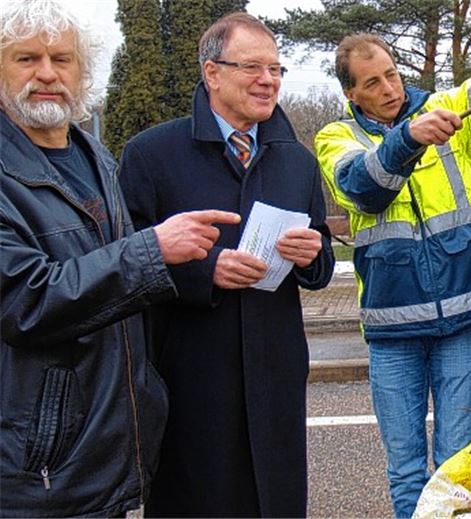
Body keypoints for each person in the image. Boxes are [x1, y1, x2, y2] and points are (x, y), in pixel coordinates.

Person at [0, 1, 240, 515]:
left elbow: (119, 284)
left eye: (62, 60)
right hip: (37, 469)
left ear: (82, 71)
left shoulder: (96, 157)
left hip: (105, 451)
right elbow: (25, 299)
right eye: (26, 59)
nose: (46, 74)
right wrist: (152, 249)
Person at [117, 12, 335, 517]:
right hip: (192, 374)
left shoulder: (295, 159)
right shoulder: (151, 155)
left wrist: (311, 257)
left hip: (275, 372)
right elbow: (123, 266)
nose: (269, 81)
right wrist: (204, 270)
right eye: (253, 67)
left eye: (277, 69)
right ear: (212, 73)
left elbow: (321, 259)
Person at [313, 33, 471, 517]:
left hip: (462, 321)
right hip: (392, 332)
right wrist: (408, 139)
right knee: (407, 471)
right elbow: (362, 189)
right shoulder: (335, 138)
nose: (390, 88)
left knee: (456, 465)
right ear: (351, 94)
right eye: (373, 82)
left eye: (391, 74)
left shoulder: (441, 105)